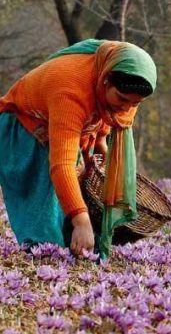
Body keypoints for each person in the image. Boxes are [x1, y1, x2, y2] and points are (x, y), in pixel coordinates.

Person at [0, 39, 157, 258]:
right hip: (27, 129)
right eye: (122, 98)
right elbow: (61, 165)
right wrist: (81, 220)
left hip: (71, 130)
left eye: (135, 103)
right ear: (105, 80)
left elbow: (110, 114)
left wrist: (101, 141)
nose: (127, 108)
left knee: (76, 188)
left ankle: (73, 247)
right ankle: (45, 257)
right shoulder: (70, 90)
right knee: (45, 211)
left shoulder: (119, 80)